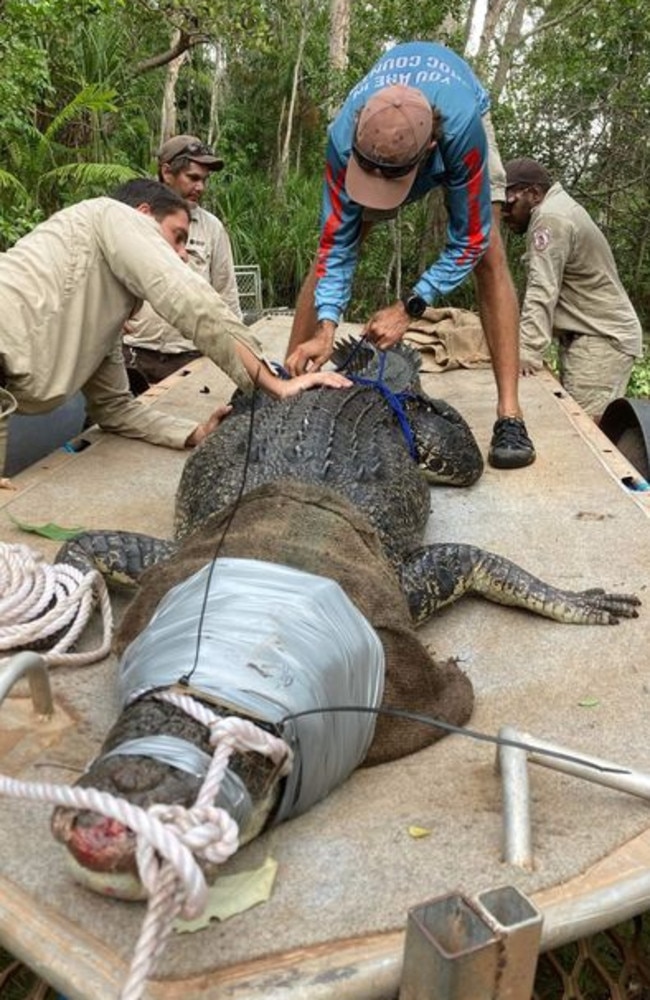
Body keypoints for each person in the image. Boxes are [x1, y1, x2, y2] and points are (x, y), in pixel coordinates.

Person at [284, 40, 535, 470]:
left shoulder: (460, 133)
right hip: (378, 139)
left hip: (459, 114)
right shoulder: (343, 136)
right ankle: (287, 380)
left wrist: (409, 307)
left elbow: (468, 239)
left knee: (489, 250)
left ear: (430, 155)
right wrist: (329, 325)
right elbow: (335, 244)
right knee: (339, 240)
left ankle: (510, 414)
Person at [0, 179, 349, 480]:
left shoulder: (105, 313)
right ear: (142, 214)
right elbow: (189, 299)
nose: (182, 255)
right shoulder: (111, 214)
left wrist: (192, 433)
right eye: (177, 237)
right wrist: (277, 384)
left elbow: (115, 409)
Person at [502, 157, 643, 423]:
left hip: (601, 339)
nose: (505, 214)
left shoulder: (550, 218)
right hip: (589, 338)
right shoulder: (556, 210)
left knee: (585, 434)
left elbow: (542, 289)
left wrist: (527, 353)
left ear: (533, 194)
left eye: (509, 204)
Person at [123, 134, 243, 391]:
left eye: (204, 180)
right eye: (193, 178)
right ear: (167, 172)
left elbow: (227, 296)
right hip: (132, 354)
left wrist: (240, 356)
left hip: (189, 358)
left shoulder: (212, 229)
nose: (201, 187)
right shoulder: (134, 217)